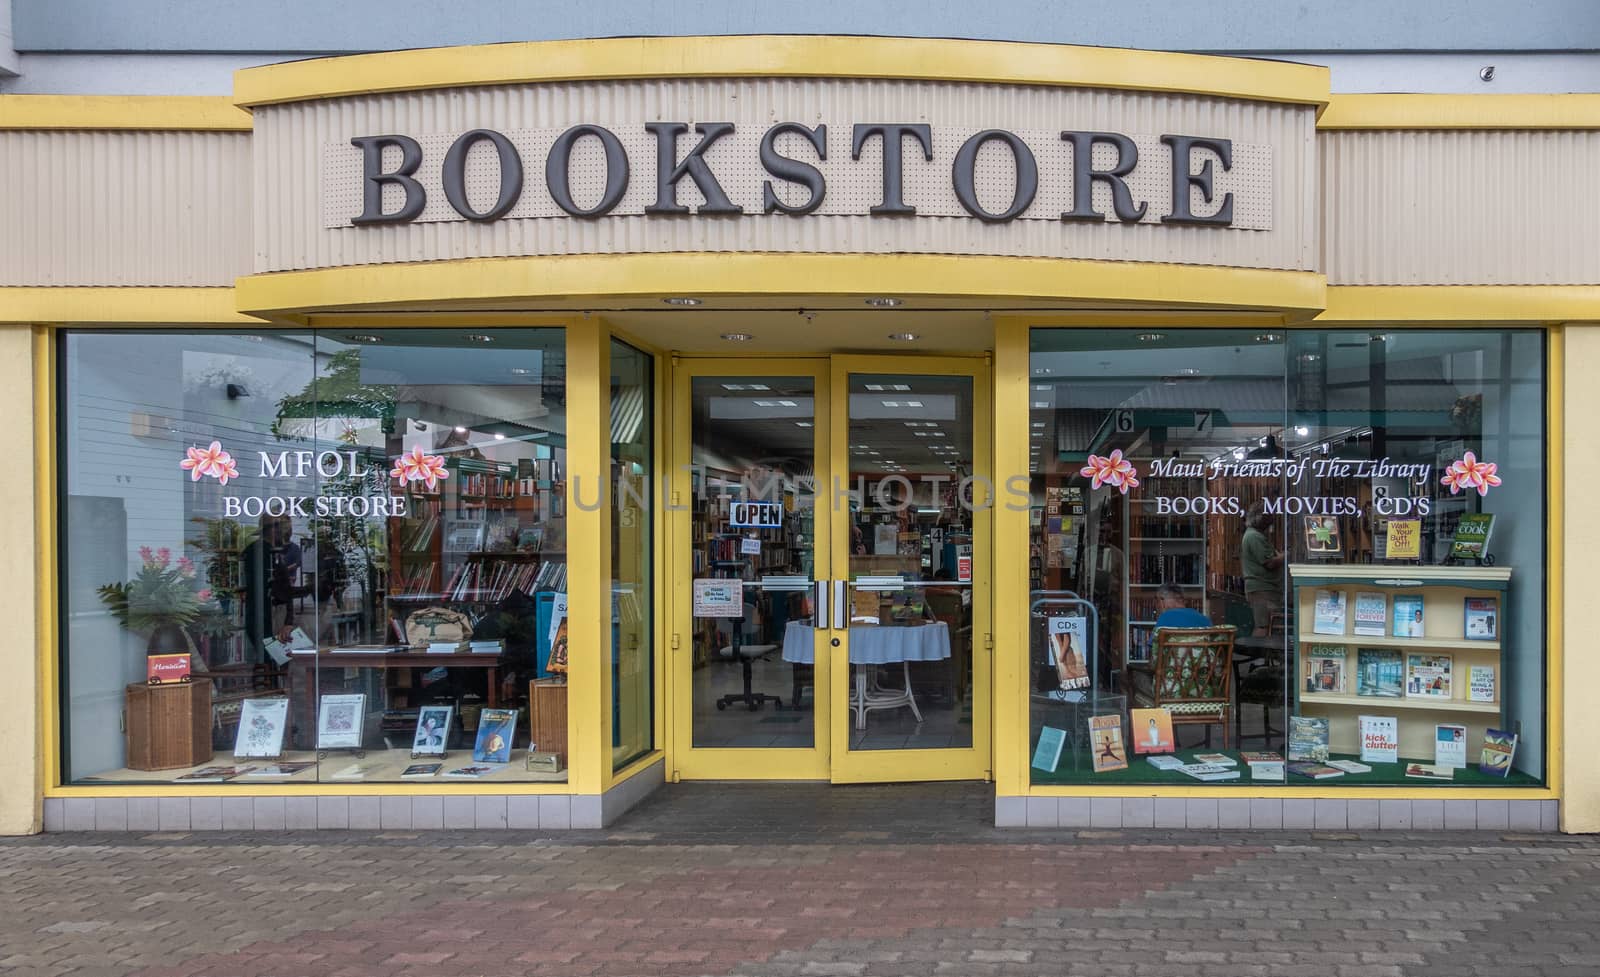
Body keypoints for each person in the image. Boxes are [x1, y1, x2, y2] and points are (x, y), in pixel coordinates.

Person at [240, 513, 304, 660]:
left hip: (263, 612)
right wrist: (288, 620)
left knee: (276, 659)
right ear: (272, 530)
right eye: (281, 529)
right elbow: (280, 588)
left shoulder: (265, 551)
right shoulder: (263, 552)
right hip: (268, 613)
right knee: (280, 659)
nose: (284, 534)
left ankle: (273, 680)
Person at [1241, 501, 1285, 637]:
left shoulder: (1253, 535)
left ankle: (1262, 654)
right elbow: (1270, 563)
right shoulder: (1254, 537)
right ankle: (1260, 653)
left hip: (1264, 589)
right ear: (1259, 518)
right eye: (1268, 517)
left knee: (1265, 624)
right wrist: (1285, 556)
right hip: (1263, 589)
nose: (1271, 521)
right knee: (1263, 625)